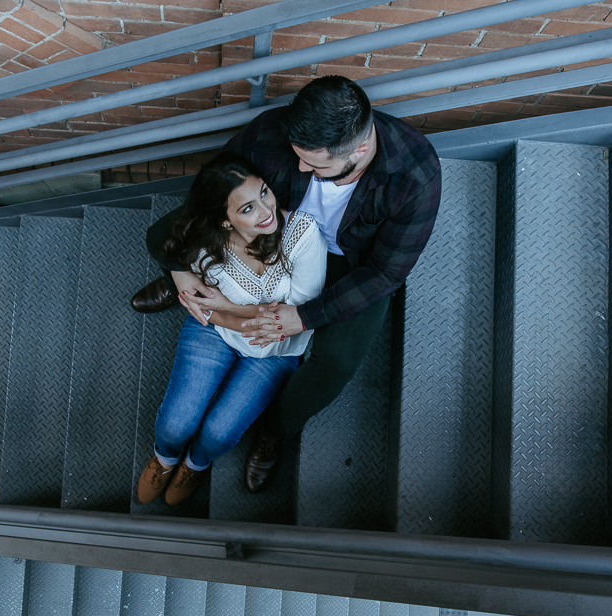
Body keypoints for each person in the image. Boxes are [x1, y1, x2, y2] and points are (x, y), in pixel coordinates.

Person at [133, 75, 442, 494]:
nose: (300, 169)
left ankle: (274, 430)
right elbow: (214, 191)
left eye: (315, 165)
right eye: (298, 158)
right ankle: (190, 282)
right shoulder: (271, 130)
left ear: (360, 151)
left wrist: (304, 316)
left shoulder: (415, 176)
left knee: (337, 360)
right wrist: (181, 268)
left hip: (351, 265)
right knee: (163, 235)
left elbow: (386, 274)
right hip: (273, 225)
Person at [137, 153, 327, 506]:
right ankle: (164, 459)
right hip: (216, 329)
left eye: (265, 193)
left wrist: (227, 305)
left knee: (219, 433)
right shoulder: (207, 244)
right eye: (247, 209)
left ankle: (195, 464)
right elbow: (213, 310)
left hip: (276, 350)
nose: (267, 211)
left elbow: (294, 314)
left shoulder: (302, 234)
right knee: (175, 424)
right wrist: (224, 314)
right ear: (225, 222)